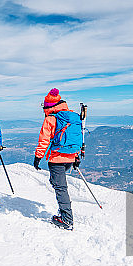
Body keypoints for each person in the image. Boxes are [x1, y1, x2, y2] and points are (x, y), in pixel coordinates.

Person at [33, 88, 82, 230]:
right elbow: (78, 138)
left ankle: (66, 219)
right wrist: (76, 156)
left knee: (60, 188)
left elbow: (44, 140)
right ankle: (64, 210)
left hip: (57, 158)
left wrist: (38, 157)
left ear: (48, 106)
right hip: (71, 157)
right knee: (56, 183)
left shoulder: (51, 119)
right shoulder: (73, 117)